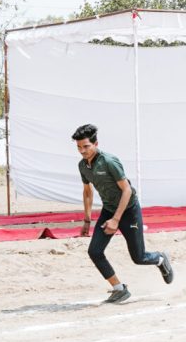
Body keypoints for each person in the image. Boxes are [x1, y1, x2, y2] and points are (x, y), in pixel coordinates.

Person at [73, 123, 174, 304]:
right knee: (94, 251)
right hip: (109, 209)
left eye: (86, 146)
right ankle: (119, 289)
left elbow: (126, 190)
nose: (82, 151)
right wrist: (87, 220)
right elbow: (87, 192)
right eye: (79, 147)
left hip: (128, 210)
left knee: (139, 257)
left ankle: (160, 259)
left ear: (96, 144)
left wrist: (116, 220)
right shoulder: (82, 166)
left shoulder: (109, 161)